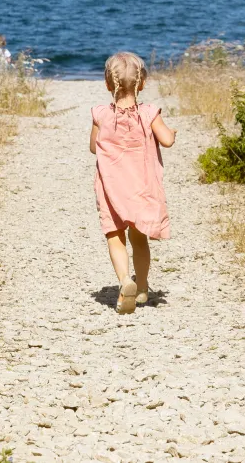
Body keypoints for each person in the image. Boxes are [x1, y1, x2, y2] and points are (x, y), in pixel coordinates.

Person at [88, 51, 175, 314]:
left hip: (111, 188)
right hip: (140, 188)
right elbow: (167, 140)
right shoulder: (149, 113)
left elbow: (94, 147)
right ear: (143, 83)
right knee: (139, 240)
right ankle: (143, 287)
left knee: (115, 237)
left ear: (107, 84)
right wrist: (171, 133)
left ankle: (125, 280)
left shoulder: (100, 114)